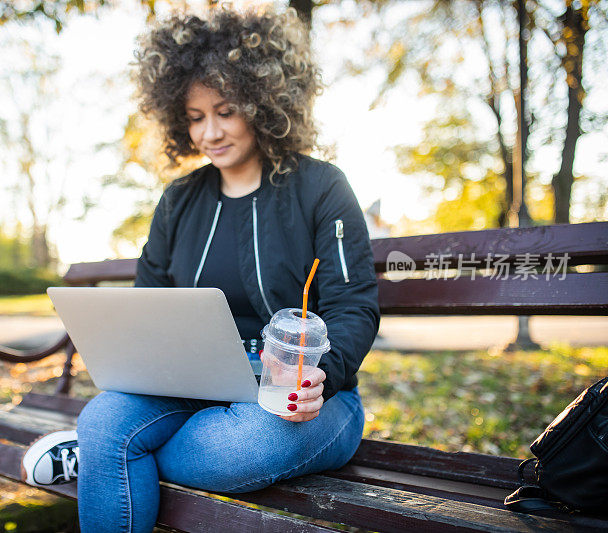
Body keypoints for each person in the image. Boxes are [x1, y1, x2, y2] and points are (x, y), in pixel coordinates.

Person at [20, 6, 380, 532]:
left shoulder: (321, 186)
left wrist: (322, 372)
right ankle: (102, 445)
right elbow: (150, 305)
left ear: (263, 101)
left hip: (307, 396)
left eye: (225, 110)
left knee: (244, 444)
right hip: (194, 385)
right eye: (194, 116)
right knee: (102, 417)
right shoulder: (179, 200)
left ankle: (99, 457)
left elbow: (354, 305)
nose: (209, 132)